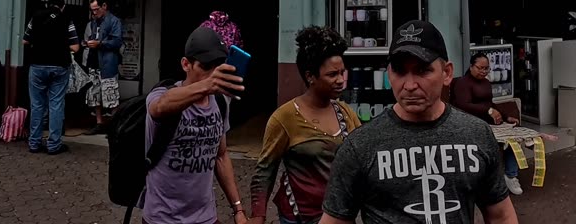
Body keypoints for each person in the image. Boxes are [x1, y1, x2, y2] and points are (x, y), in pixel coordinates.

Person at [321, 21, 518, 224]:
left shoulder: (478, 135)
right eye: (399, 71)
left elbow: (501, 216)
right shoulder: (359, 147)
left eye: (423, 70)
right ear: (388, 73)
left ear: (447, 73)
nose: (410, 85)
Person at [250, 26, 359, 224]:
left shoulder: (346, 113)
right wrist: (258, 215)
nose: (340, 80)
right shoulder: (284, 117)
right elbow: (265, 170)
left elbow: (363, 159)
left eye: (342, 72)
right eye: (332, 74)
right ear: (310, 76)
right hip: (298, 218)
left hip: (338, 216)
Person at [143, 26, 248, 224]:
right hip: (163, 219)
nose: (212, 74)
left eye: (218, 65)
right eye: (206, 66)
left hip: (205, 217)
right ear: (186, 64)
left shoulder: (219, 102)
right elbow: (158, 107)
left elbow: (221, 155)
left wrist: (238, 209)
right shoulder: (161, 94)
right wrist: (207, 86)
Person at [450, 53, 524, 195]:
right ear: (471, 66)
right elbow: (463, 105)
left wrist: (506, 116)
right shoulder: (462, 83)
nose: (483, 71)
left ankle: (510, 175)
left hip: (488, 123)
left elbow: (490, 103)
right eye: (480, 68)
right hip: (469, 123)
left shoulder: (485, 83)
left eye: (487, 69)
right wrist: (488, 110)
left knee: (513, 138)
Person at [23, 0, 80, 154]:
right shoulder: (66, 19)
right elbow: (75, 47)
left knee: (37, 104)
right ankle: (54, 145)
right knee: (56, 104)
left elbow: (25, 40)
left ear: (47, 4)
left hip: (37, 65)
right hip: (60, 66)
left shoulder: (36, 17)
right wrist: (61, 45)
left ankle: (34, 143)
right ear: (63, 6)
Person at [84, 0, 124, 134]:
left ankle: (115, 126)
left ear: (104, 6)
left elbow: (117, 42)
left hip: (108, 62)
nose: (94, 13)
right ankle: (99, 123)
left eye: (97, 9)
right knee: (95, 94)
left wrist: (100, 44)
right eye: (92, 10)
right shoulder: (94, 22)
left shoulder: (114, 21)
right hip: (94, 61)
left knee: (111, 94)